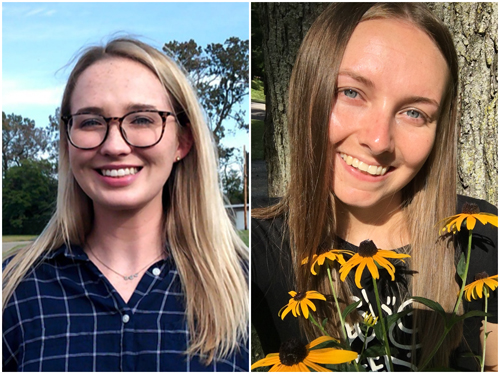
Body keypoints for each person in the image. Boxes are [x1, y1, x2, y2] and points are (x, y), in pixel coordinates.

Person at [252, 3, 497, 372]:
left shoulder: (478, 237)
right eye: (351, 93)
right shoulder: (259, 245)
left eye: (414, 112)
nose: (380, 140)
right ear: (309, 93)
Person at [3, 37, 249, 372]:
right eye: (91, 122)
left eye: (143, 119)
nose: (115, 145)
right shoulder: (14, 291)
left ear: (183, 142)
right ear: (68, 142)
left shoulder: (246, 288)